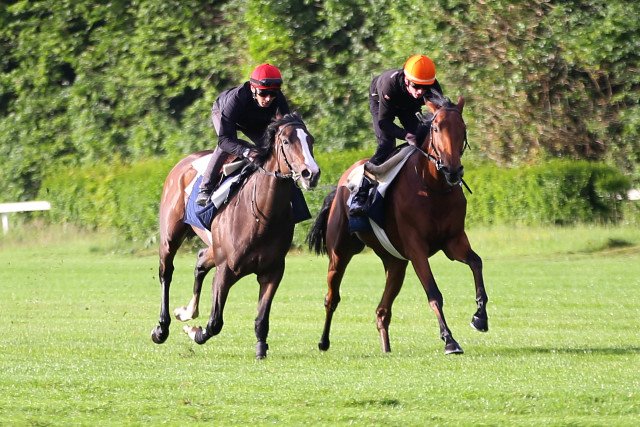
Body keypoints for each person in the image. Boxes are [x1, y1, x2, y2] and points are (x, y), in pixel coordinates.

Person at [349, 54, 444, 216]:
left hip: (407, 106)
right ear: (407, 80)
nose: (420, 92)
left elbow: (441, 113)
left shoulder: (431, 86)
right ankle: (361, 193)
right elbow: (384, 123)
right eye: (416, 86)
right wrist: (405, 135)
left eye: (425, 87)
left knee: (423, 139)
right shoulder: (390, 86)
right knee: (387, 145)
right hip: (382, 101)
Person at [196, 63, 290, 206]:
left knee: (272, 147)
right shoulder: (237, 98)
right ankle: (205, 188)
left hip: (252, 120)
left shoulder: (278, 98)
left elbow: (287, 127)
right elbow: (224, 140)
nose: (268, 98)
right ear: (253, 88)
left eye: (273, 94)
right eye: (263, 93)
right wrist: (246, 152)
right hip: (223, 112)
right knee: (227, 146)